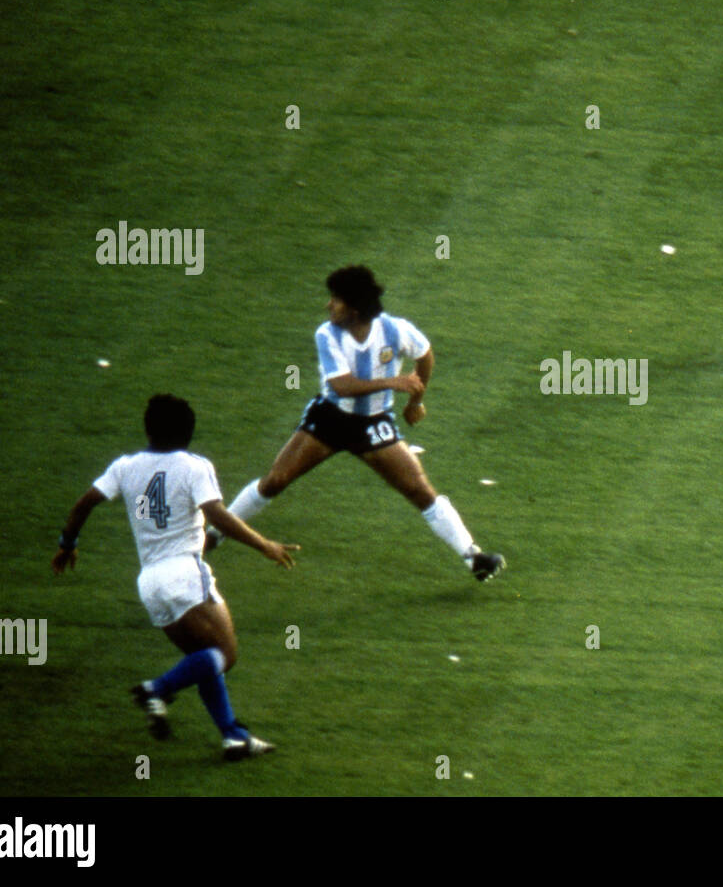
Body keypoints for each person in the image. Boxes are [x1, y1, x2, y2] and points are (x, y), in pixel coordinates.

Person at [207, 265, 506, 581]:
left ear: (355, 308)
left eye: (335, 300)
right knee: (276, 481)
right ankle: (216, 533)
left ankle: (474, 558)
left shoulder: (395, 330)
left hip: (373, 422)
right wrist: (394, 383)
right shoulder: (327, 334)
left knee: (419, 490)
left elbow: (425, 355)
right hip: (329, 419)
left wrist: (416, 400)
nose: (328, 306)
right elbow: (343, 386)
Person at [52, 394, 299, 761]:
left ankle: (233, 736)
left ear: (148, 429)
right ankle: (158, 689)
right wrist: (263, 544)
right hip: (185, 573)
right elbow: (216, 515)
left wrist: (68, 544)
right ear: (189, 431)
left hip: (149, 582)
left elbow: (84, 502)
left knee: (203, 659)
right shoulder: (194, 466)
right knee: (224, 656)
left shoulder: (125, 466)